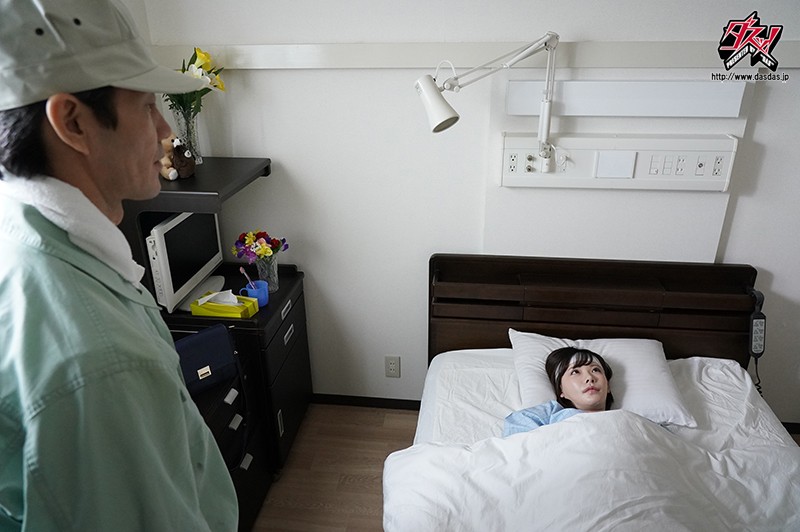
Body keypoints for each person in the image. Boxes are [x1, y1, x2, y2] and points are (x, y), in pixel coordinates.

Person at [0, 1, 238, 530]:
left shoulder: (22, 235)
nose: (165, 130)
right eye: (148, 106)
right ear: (73, 122)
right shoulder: (103, 364)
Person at [503, 347, 614, 437]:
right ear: (561, 390)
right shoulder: (546, 416)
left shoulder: (622, 421)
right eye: (575, 372)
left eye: (595, 370)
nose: (589, 378)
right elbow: (517, 445)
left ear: (608, 386)